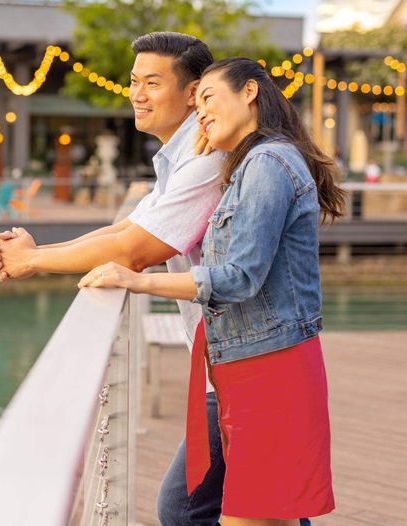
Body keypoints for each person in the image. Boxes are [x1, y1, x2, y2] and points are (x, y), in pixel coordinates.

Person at [80, 57, 344, 525]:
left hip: (269, 368)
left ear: (248, 93)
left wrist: (140, 280)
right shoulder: (252, 162)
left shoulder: (267, 162)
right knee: (264, 513)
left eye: (207, 100)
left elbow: (240, 276)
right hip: (246, 364)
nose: (199, 115)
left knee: (246, 514)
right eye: (196, 106)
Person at [0, 31, 231, 525]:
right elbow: (124, 229)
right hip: (221, 364)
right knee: (262, 504)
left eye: (152, 82)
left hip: (239, 363)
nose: (136, 93)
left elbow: (135, 251)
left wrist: (30, 263)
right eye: (134, 81)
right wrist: (35, 252)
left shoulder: (207, 160)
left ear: (192, 92)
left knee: (187, 509)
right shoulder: (177, 158)